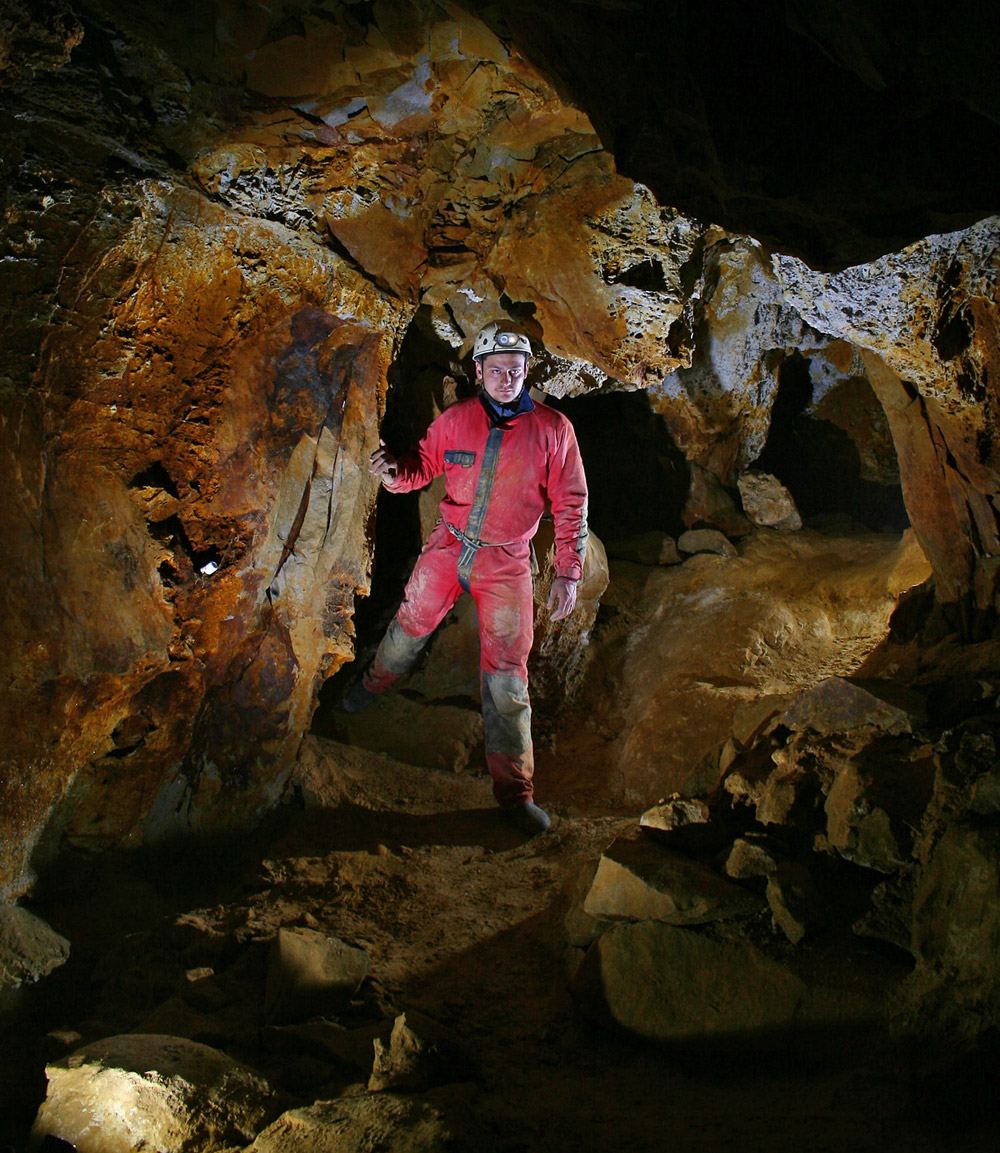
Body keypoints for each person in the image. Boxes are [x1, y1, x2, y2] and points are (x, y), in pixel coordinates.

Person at [343, 322, 589, 835]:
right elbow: (423, 466)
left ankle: (515, 794)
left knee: (506, 673)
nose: (506, 379)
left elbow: (571, 503)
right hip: (449, 543)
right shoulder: (456, 421)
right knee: (409, 627)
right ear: (479, 371)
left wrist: (567, 571)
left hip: (507, 560)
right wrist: (394, 473)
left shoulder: (553, 430)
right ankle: (372, 685)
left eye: (515, 370)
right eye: (496, 370)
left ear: (527, 372)